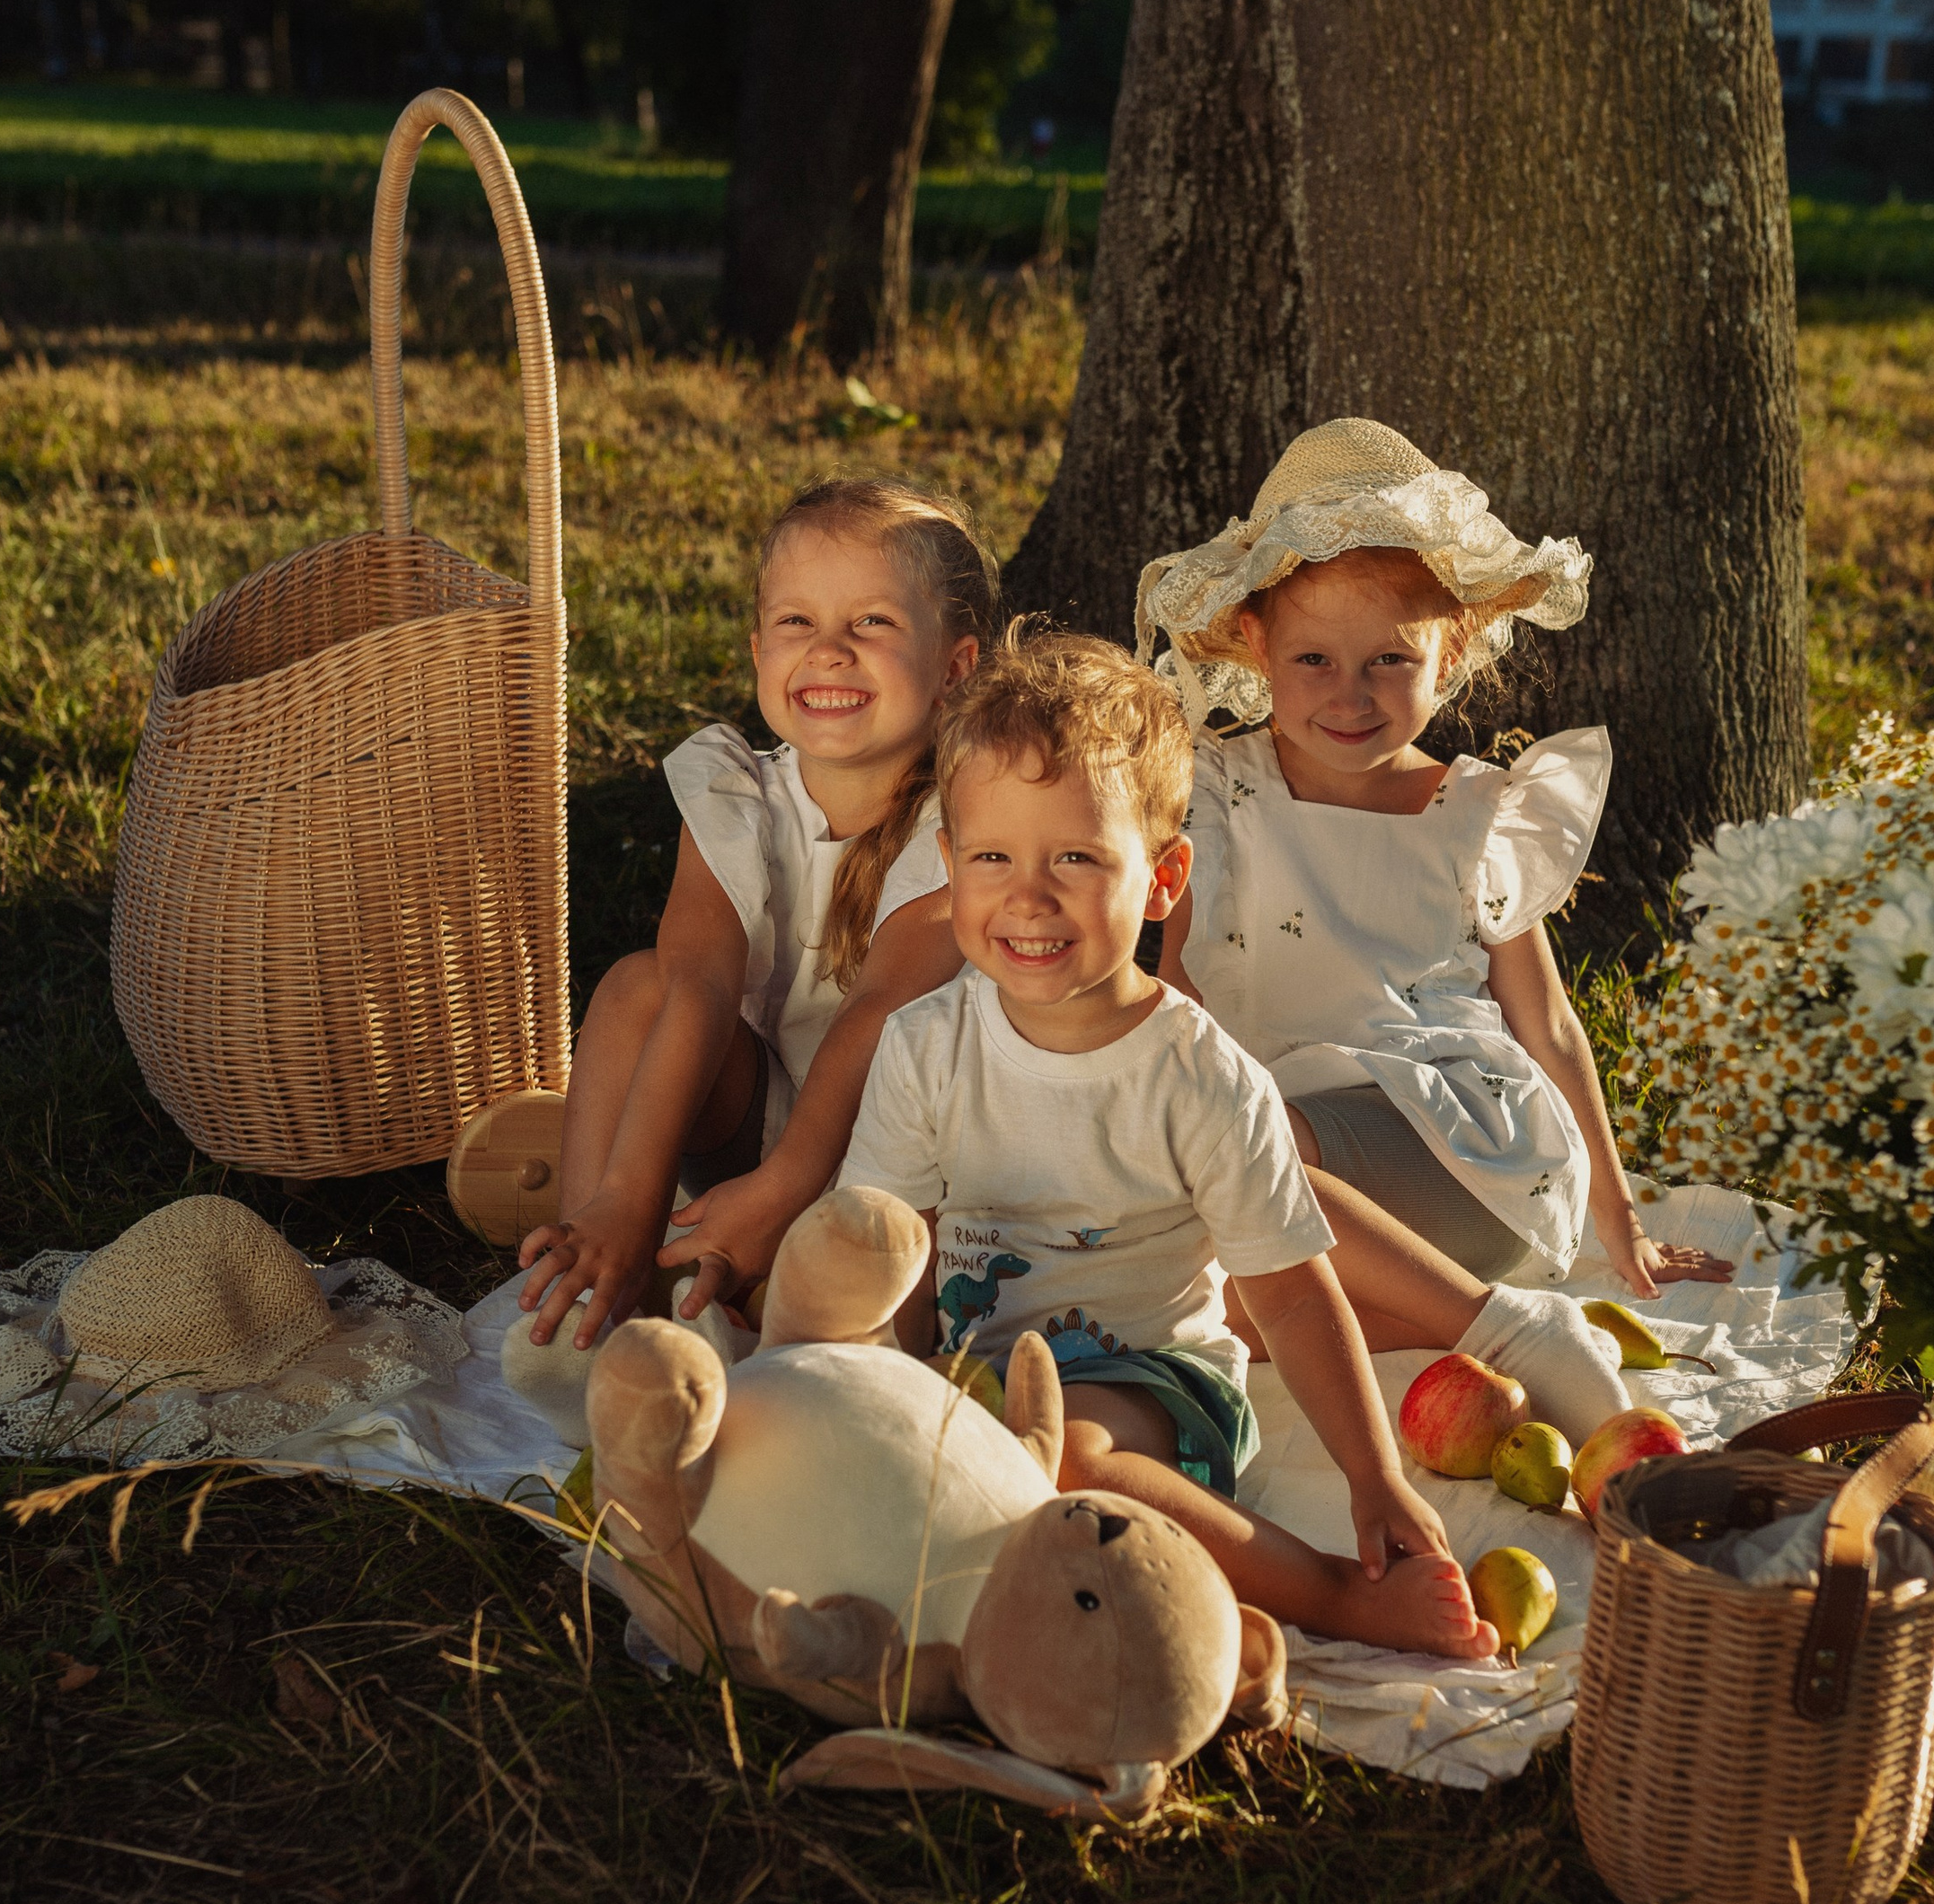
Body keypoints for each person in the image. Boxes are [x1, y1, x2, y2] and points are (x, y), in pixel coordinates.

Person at [839, 630, 1501, 1660]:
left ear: (1161, 879)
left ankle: (1326, 1592)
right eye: (993, 858)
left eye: (1076, 858)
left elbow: (1290, 1293)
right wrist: (890, 1377)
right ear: (949, 868)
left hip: (1146, 1382)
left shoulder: (1199, 1076)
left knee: (1063, 1469)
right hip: (972, 1371)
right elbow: (892, 1247)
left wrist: (1375, 1478)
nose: (1028, 895)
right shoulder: (927, 1045)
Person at [1139, 417, 1732, 1319]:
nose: (1350, 694)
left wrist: (1622, 1220)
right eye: (1313, 660)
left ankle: (1422, 1314)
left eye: (1390, 660)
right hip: (1260, 1125)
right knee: (1209, 1178)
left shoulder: (1474, 812)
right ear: (1256, 646)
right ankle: (1401, 1320)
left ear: (1448, 654)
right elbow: (1176, 983)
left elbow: (1548, 1025)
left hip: (1457, 1154)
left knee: (1256, 1164)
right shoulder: (1218, 789)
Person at [517, 477, 995, 1347]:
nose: (828, 651)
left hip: (900, 1152)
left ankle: (767, 1283)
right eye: (795, 624)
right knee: (637, 988)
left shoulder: (967, 824)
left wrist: (783, 1192)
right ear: (756, 652)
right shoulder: (738, 794)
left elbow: (880, 1015)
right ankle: (596, 1261)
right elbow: (697, 984)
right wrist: (630, 1195)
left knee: (827, 1308)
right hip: (763, 1116)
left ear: (955, 667)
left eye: (872, 623)